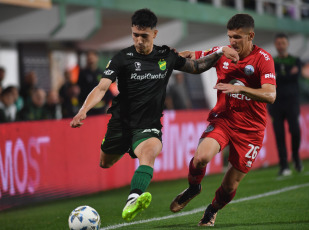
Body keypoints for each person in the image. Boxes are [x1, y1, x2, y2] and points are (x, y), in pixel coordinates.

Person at [70, 8, 238, 222]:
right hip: (120, 123)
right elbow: (102, 87)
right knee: (105, 163)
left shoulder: (166, 56)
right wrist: (83, 110)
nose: (139, 40)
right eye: (135, 35)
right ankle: (124, 147)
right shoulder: (122, 58)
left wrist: (220, 52)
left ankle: (133, 198)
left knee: (149, 153)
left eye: (144, 36)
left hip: (148, 125)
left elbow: (196, 67)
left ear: (155, 34)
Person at [169, 14, 276, 226]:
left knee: (229, 186)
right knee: (201, 158)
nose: (232, 42)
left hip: (251, 131)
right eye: (229, 37)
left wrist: (240, 88)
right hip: (224, 120)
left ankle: (212, 209)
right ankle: (193, 188)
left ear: (250, 36)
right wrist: (174, 57)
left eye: (237, 37)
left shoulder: (263, 59)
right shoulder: (222, 53)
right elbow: (194, 57)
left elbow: (270, 95)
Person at [268, 33, 303, 176]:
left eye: (283, 43)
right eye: (278, 43)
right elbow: (272, 79)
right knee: (279, 134)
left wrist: (280, 76)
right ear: (276, 45)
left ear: (287, 44)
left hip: (292, 102)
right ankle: (284, 165)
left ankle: (295, 156)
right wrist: (287, 74)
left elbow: (296, 75)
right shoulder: (271, 61)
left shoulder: (295, 60)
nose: (280, 46)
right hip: (275, 103)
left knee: (295, 131)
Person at [77, 50, 114, 115]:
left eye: (92, 58)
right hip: (88, 108)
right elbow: (80, 90)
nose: (91, 60)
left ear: (97, 58)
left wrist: (108, 105)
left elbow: (106, 90)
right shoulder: (82, 73)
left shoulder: (102, 73)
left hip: (101, 108)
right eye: (89, 58)